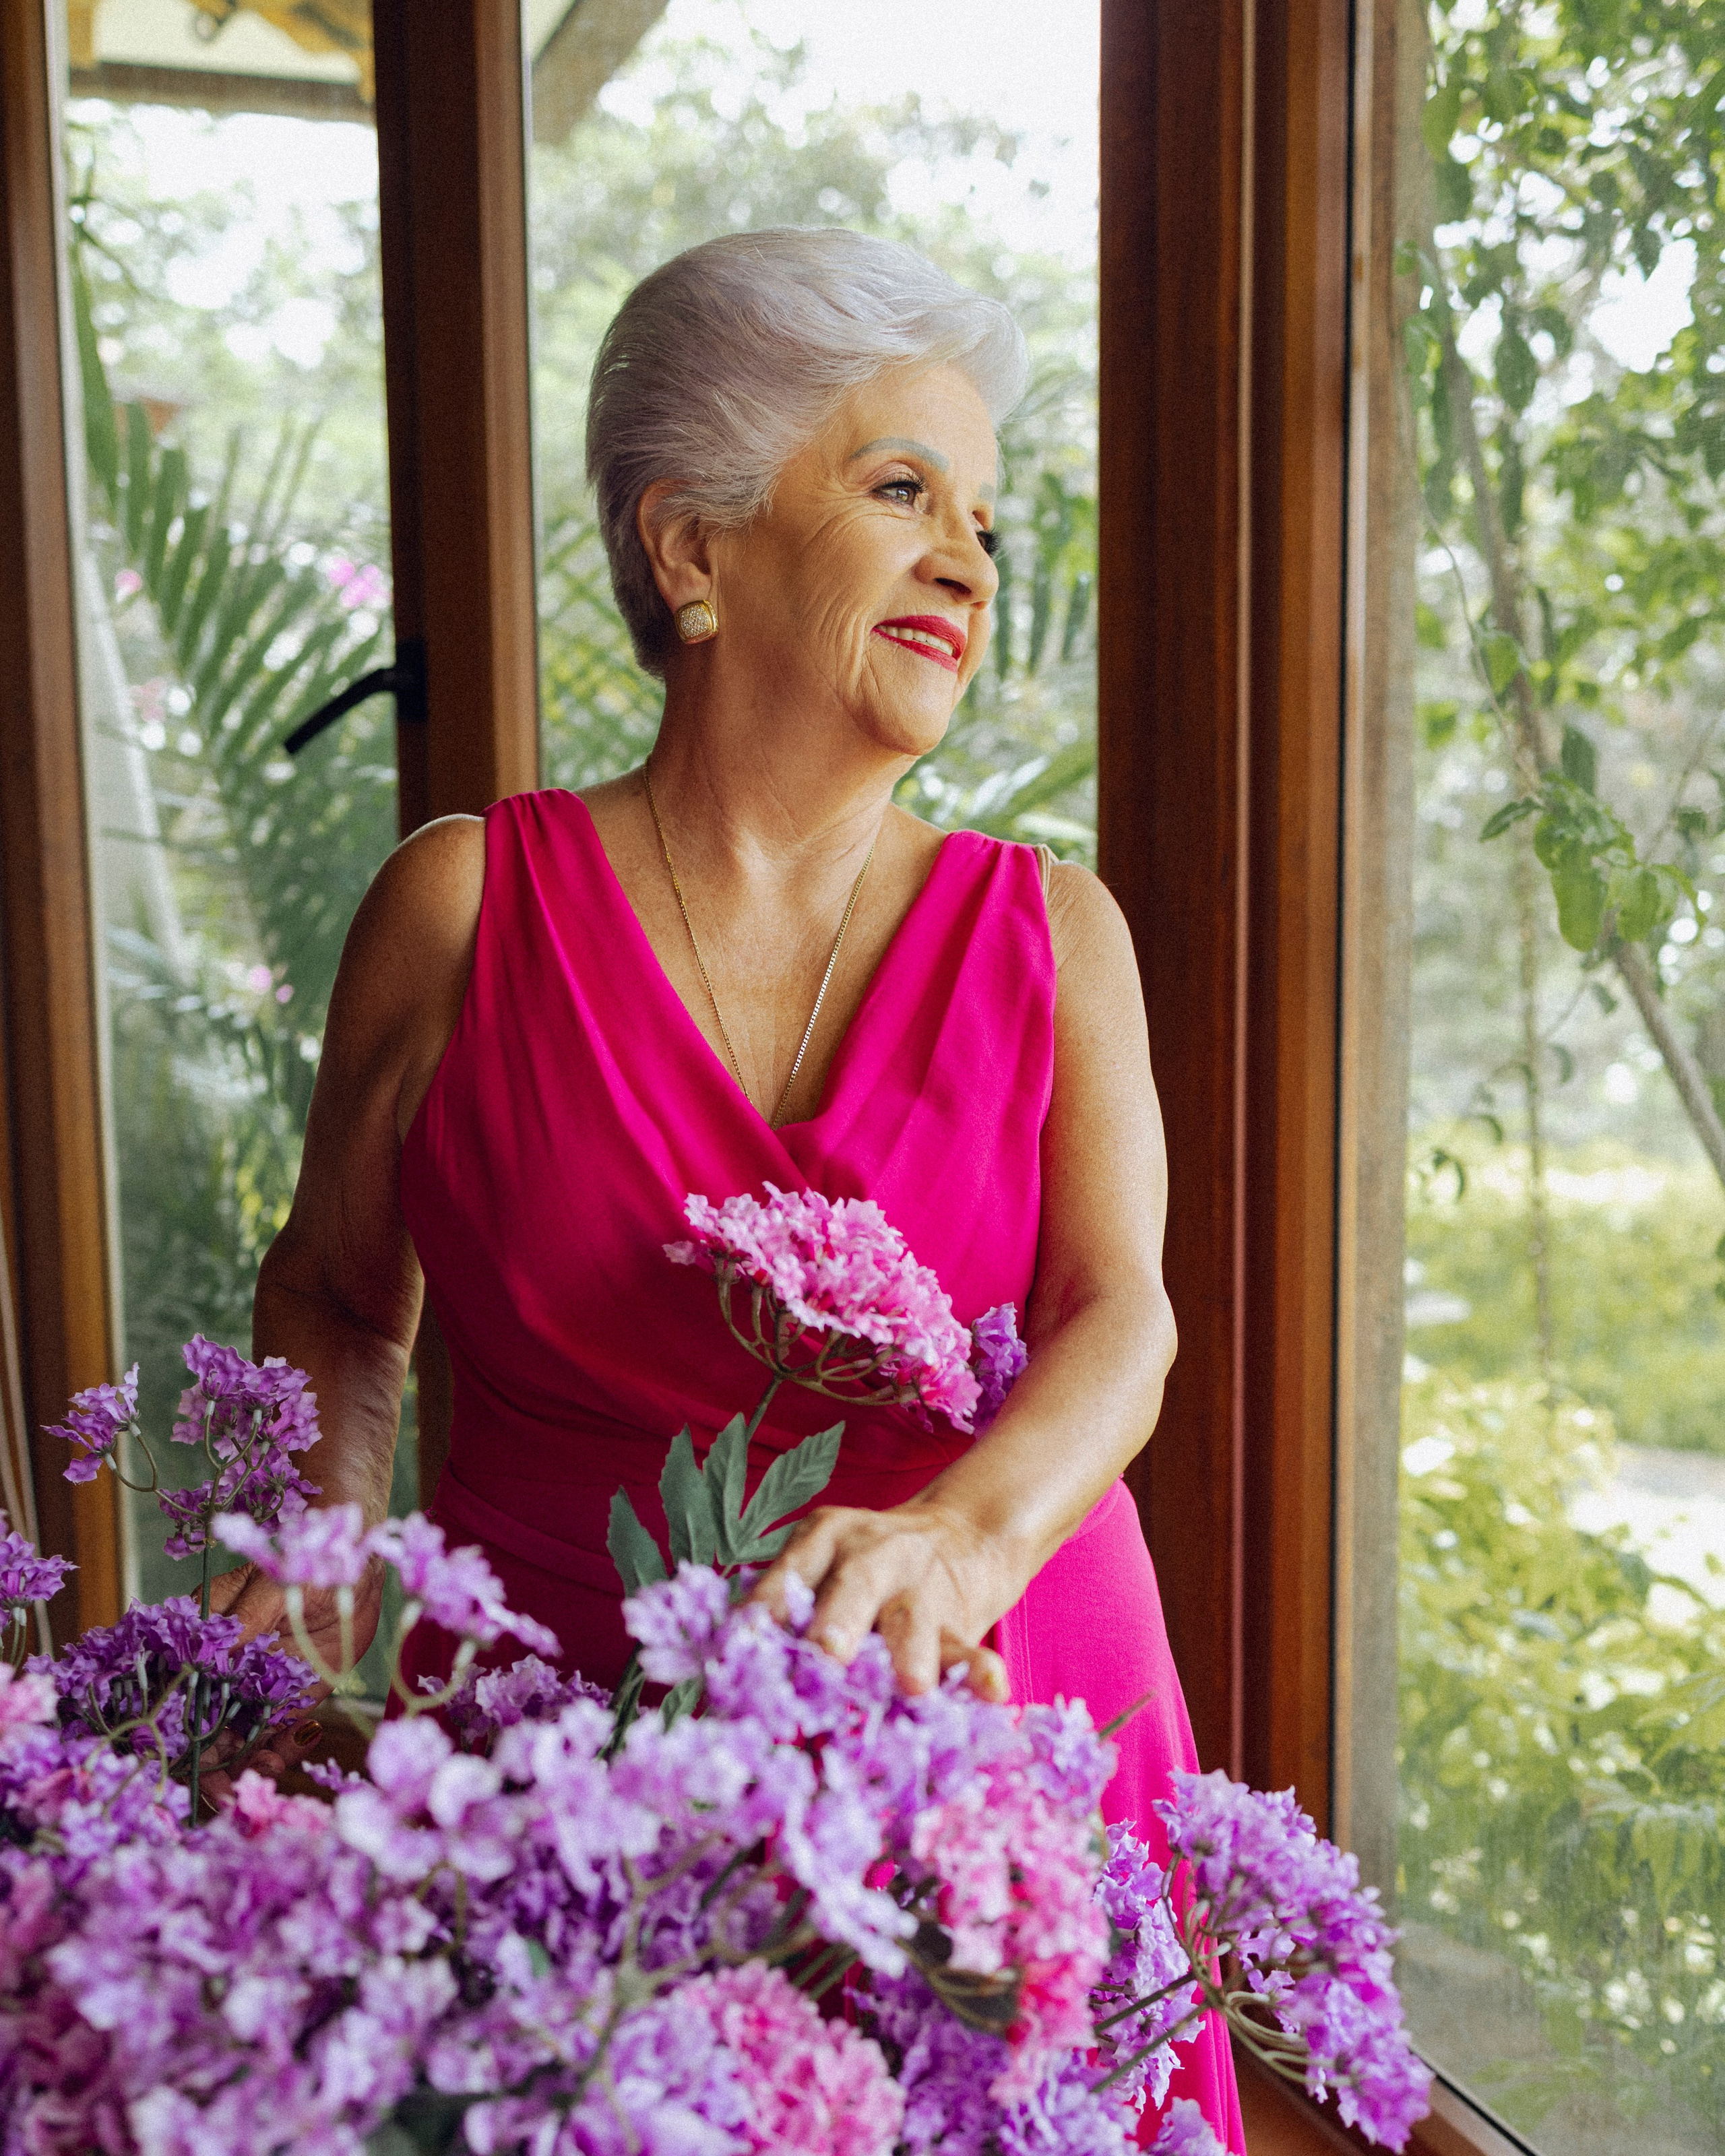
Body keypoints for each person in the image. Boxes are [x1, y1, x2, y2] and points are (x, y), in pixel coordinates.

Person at [226, 228, 1245, 2149]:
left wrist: (962, 1538)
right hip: (555, 1769)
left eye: (986, 521)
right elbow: (339, 1295)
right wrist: (316, 1553)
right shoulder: (458, 909)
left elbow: (1130, 1318)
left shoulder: (1058, 939)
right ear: (691, 549)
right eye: (898, 490)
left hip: (990, 1726)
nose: (968, 557)